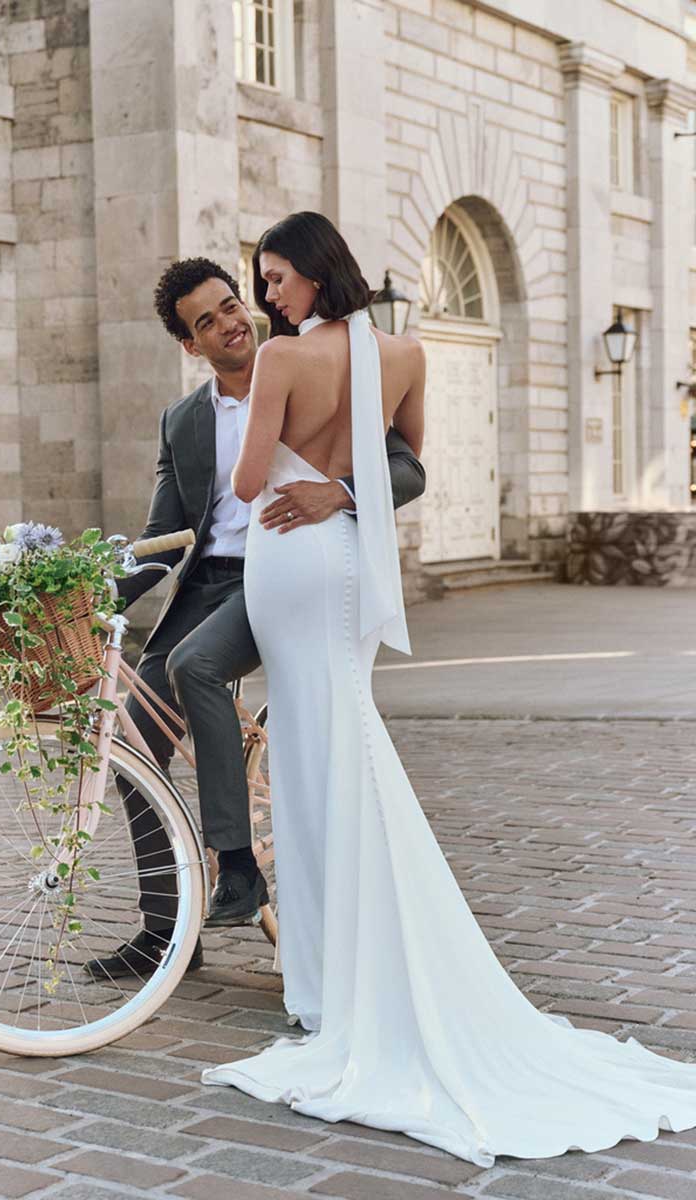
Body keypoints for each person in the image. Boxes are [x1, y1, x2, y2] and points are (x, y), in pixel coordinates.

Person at [201, 211, 696, 1165]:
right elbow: (409, 466)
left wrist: (279, 449)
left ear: (312, 272)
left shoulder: (280, 362)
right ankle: (340, 968)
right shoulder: (408, 353)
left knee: (313, 753)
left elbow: (250, 477)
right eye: (260, 283)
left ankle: (330, 984)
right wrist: (345, 488)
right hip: (340, 555)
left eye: (273, 279)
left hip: (287, 558)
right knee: (336, 734)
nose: (266, 297)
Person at [84, 256, 426, 980]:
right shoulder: (184, 420)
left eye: (231, 304)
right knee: (136, 736)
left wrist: (338, 492)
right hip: (207, 584)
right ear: (190, 345)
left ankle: (237, 865)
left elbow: (405, 466)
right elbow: (164, 538)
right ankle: (168, 930)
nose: (230, 322)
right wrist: (96, 594)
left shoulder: (307, 370)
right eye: (206, 321)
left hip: (282, 576)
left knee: (194, 668)